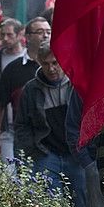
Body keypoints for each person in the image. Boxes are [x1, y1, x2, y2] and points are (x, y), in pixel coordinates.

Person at [13, 46, 78, 195]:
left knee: (80, 201)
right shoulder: (31, 89)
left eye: (55, 63)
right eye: (46, 64)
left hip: (75, 154)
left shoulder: (75, 84)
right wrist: (33, 151)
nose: (51, 68)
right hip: (47, 153)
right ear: (39, 63)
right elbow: (22, 125)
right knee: (52, 202)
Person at [0, 17, 48, 163]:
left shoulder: (60, 64)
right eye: (40, 32)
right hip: (22, 135)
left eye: (49, 31)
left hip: (54, 137)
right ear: (27, 36)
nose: (46, 35)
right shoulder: (13, 68)